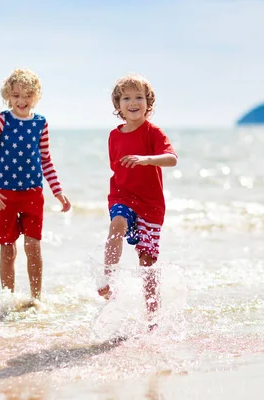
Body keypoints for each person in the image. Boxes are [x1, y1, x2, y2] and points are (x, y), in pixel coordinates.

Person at [0, 68, 71, 300]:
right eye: (16, 95)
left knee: (33, 247)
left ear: (36, 96)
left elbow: (46, 160)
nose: (22, 100)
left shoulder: (40, 123)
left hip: (33, 194)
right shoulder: (1, 120)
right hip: (4, 195)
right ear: (8, 96)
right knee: (8, 249)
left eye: (27, 95)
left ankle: (35, 300)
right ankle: (7, 299)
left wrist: (58, 191)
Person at [97, 74, 178, 327]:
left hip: (151, 205)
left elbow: (172, 159)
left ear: (148, 103)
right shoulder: (114, 135)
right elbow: (116, 168)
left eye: (139, 97)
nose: (133, 102)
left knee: (147, 264)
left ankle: (153, 320)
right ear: (118, 105)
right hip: (122, 196)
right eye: (127, 98)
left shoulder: (153, 132)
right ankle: (108, 279)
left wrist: (146, 159)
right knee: (117, 223)